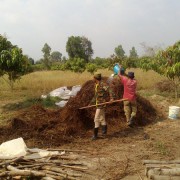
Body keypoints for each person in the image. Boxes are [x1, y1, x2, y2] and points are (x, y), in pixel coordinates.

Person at [90, 73, 114, 140]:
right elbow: (96, 95)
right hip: (98, 103)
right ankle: (104, 133)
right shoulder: (96, 85)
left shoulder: (102, 84)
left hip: (101, 104)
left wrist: (111, 98)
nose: (93, 79)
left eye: (93, 78)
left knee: (96, 119)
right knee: (102, 118)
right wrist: (91, 103)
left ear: (95, 78)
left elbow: (109, 89)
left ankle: (95, 135)